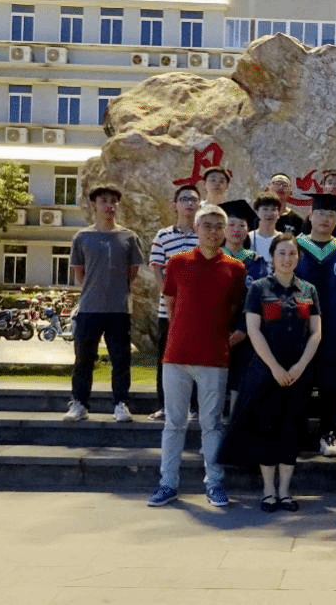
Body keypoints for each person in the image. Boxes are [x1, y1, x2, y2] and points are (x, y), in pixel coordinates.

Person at [147, 205, 246, 508]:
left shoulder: (235, 268)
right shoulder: (177, 263)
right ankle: (168, 483)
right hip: (177, 355)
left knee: (211, 424)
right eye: (207, 225)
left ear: (225, 231)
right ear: (196, 228)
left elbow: (232, 309)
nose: (213, 231)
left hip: (214, 357)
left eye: (219, 226)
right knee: (174, 423)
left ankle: (214, 483)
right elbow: (171, 304)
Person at [220, 233, 321, 513]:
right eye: (281, 253)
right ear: (272, 257)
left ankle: (285, 491)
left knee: (291, 429)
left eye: (292, 253)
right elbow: (253, 330)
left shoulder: (308, 289)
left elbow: (315, 333)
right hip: (266, 371)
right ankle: (268, 491)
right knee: (267, 429)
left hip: (298, 372)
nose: (287, 259)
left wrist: (300, 366)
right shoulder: (259, 288)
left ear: (299, 257)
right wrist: (275, 367)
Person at [64, 185, 144, 422]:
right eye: (104, 201)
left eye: (113, 201)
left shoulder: (129, 237)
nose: (109, 205)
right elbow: (79, 274)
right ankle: (79, 403)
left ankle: (120, 404)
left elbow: (132, 272)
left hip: (119, 309)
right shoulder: (82, 237)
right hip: (89, 308)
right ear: (94, 205)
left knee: (121, 359)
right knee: (84, 359)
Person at [295, 193, 336, 457]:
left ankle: (328, 433)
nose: (325, 219)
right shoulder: (296, 248)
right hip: (300, 328)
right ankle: (297, 435)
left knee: (331, 382)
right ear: (310, 216)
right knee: (299, 380)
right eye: (320, 213)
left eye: (331, 215)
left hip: (335, 327)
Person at [148, 184, 200, 422]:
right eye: (184, 199)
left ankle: (194, 407)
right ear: (175, 205)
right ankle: (165, 405)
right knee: (167, 359)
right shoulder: (163, 235)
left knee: (197, 360)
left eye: (193, 200)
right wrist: (169, 297)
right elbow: (157, 268)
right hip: (168, 311)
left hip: (197, 311)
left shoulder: (204, 235)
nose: (189, 203)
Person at [219, 199, 269, 414]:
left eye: (242, 225)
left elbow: (257, 300)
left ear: (248, 229)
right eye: (231, 224)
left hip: (247, 332)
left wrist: (242, 329)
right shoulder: (213, 258)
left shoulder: (256, 262)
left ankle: (234, 424)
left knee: (240, 381)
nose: (236, 230)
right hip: (215, 332)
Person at [303, 170, 336, 237]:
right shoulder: (315, 215)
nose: (333, 186)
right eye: (330, 183)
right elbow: (304, 238)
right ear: (323, 187)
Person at [248, 191, 281, 274]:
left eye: (273, 209)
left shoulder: (283, 239)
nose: (269, 213)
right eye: (265, 209)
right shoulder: (248, 238)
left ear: (278, 214)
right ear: (257, 212)